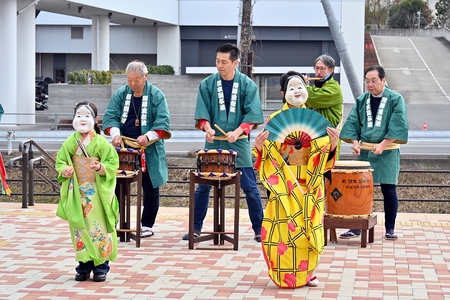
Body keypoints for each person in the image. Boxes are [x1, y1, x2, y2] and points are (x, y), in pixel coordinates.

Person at [253, 74, 340, 288]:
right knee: (283, 231)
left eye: (301, 86)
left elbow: (325, 161)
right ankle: (283, 273)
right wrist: (259, 147)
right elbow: (267, 157)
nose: (297, 90)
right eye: (291, 88)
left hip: (309, 184)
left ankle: (309, 273)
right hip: (284, 185)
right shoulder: (274, 120)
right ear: (283, 94)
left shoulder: (317, 121)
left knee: (308, 229)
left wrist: (333, 145)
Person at [181, 43, 265, 242]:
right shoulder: (207, 84)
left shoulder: (247, 85)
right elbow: (202, 116)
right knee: (203, 186)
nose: (220, 65)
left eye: (224, 62)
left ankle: (259, 230)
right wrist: (207, 129)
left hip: (239, 142)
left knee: (250, 187)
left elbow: (252, 117)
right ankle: (195, 228)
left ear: (235, 63)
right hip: (214, 143)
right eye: (217, 61)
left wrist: (237, 132)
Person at [102, 60, 171, 238]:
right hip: (124, 148)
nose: (133, 84)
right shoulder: (121, 94)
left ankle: (147, 225)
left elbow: (162, 122)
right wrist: (115, 134)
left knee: (150, 187)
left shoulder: (157, 95)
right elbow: (111, 116)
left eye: (137, 80)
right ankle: (114, 222)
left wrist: (147, 136)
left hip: (147, 148)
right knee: (116, 186)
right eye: (130, 80)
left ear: (145, 76)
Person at [339, 65, 408, 241]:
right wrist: (355, 144)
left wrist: (384, 144)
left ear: (383, 80)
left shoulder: (395, 99)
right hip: (366, 151)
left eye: (374, 81)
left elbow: (398, 124)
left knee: (388, 190)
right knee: (360, 190)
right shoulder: (362, 100)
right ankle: (356, 226)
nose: (370, 85)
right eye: (367, 81)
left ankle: (390, 228)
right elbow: (353, 122)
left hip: (388, 151)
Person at [55, 102, 119, 282]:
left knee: (98, 229)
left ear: (95, 119)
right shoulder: (70, 141)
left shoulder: (100, 142)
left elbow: (113, 163)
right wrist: (65, 169)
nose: (82, 119)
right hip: (78, 192)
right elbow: (60, 161)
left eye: (87, 116)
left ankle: (101, 266)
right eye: (79, 115)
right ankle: (84, 265)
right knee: (80, 228)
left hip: (97, 193)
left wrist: (100, 167)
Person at [304, 54, 344, 157]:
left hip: (329, 138)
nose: (318, 72)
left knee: (327, 170)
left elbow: (312, 98)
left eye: (322, 69)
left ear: (331, 70)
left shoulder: (334, 88)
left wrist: (301, 86)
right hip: (313, 137)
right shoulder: (315, 87)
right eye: (316, 68)